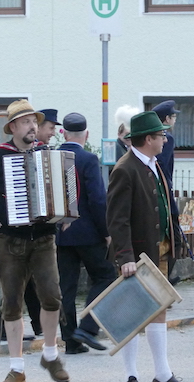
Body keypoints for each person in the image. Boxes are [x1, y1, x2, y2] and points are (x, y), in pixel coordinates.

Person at [0, 99, 68, 382]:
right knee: (11, 303)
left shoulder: (46, 154)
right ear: (13, 127)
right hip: (10, 240)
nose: (33, 126)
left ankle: (50, 354)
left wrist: (64, 212)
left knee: (52, 297)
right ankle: (16, 368)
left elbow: (61, 190)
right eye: (26, 122)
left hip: (43, 238)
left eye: (34, 121)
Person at [107, 111, 194, 382]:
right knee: (132, 315)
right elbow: (117, 219)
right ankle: (130, 377)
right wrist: (125, 257)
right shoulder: (125, 169)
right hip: (137, 256)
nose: (165, 139)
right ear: (148, 139)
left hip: (159, 251)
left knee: (159, 309)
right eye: (161, 135)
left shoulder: (153, 164)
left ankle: (162, 375)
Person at [55, 112, 116, 354]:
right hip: (88, 233)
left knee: (66, 288)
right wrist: (106, 232)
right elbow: (97, 200)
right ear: (86, 135)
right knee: (106, 277)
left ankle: (70, 341)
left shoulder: (52, 157)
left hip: (62, 233)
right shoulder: (88, 159)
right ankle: (88, 327)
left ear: (63, 134)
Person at [152, 100, 179, 191]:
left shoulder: (153, 136)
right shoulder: (168, 138)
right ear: (167, 118)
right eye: (174, 117)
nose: (175, 120)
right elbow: (162, 165)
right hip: (163, 185)